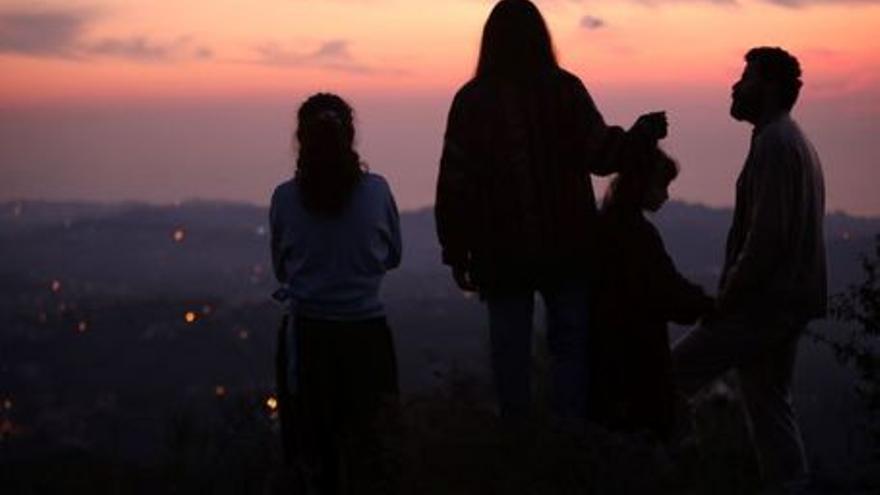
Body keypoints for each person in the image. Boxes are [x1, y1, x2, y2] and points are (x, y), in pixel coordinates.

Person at [435, 0, 667, 421]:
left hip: (501, 252)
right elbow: (601, 152)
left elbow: (455, 183)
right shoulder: (565, 91)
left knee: (510, 358)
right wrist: (639, 138)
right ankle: (570, 449)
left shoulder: (472, 101)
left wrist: (456, 250)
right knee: (571, 351)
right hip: (568, 247)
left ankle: (519, 452)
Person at [671, 47, 826, 491]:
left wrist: (728, 297)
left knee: (671, 377)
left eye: (746, 77)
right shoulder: (791, 140)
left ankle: (682, 471)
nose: (735, 86)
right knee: (770, 403)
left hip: (760, 307)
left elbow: (766, 237)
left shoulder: (777, 144)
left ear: (770, 88)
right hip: (783, 306)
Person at [270, 93, 402, 494]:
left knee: (313, 457)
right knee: (373, 453)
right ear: (351, 137)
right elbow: (393, 255)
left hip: (308, 340)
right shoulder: (377, 192)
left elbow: (281, 268)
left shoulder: (285, 198)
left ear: (300, 138)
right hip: (368, 337)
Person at [591, 147, 714, 441]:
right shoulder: (639, 235)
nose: (667, 195)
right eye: (662, 186)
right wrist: (707, 304)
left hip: (604, 360)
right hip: (638, 363)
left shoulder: (603, 227)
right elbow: (667, 291)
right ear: (642, 183)